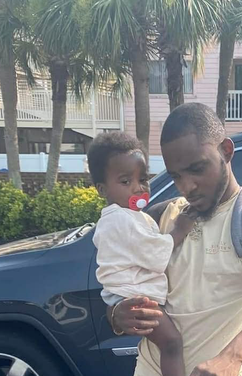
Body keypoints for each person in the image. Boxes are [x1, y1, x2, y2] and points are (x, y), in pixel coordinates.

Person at [108, 103, 242, 376]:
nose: (187, 187)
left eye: (197, 169)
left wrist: (231, 359)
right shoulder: (161, 217)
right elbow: (120, 285)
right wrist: (117, 315)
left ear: (226, 151)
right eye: (176, 176)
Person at [88, 132, 196, 376]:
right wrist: (180, 229)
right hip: (135, 298)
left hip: (130, 295)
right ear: (102, 189)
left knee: (168, 343)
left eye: (143, 179)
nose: (138, 187)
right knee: (171, 343)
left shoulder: (129, 217)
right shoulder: (121, 219)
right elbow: (155, 254)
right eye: (126, 181)